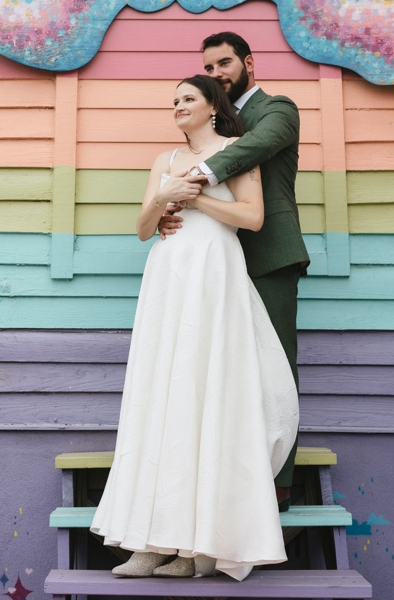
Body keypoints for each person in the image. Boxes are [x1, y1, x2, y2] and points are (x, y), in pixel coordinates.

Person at [90, 73, 299, 580]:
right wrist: (164, 198)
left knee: (206, 390)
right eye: (174, 101)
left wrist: (194, 193)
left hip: (214, 273)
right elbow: (142, 228)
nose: (178, 106)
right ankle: (150, 539)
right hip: (169, 273)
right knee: (164, 392)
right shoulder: (164, 160)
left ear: (212, 107)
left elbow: (252, 219)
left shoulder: (237, 150)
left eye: (188, 99)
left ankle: (196, 547)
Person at [168, 31, 311, 510]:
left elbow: (255, 148)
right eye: (207, 69)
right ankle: (227, 472)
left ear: (249, 62)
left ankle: (277, 483)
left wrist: (196, 179)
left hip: (268, 254)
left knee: (275, 368)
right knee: (221, 365)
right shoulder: (210, 121)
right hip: (214, 258)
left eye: (224, 64)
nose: (216, 75)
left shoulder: (278, 109)